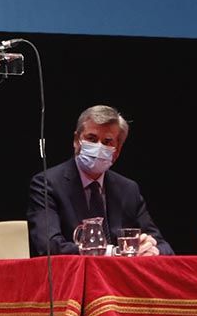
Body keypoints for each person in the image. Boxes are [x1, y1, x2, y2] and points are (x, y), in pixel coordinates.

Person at [27, 105, 173, 256]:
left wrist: (151, 250)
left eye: (107, 141)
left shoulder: (128, 189)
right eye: (91, 138)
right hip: (72, 276)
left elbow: (164, 246)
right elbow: (49, 246)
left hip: (120, 277)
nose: (98, 147)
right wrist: (113, 252)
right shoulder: (47, 183)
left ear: (117, 150)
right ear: (77, 140)